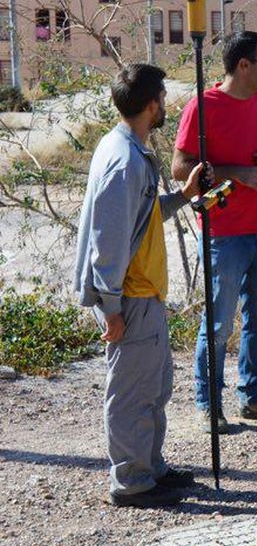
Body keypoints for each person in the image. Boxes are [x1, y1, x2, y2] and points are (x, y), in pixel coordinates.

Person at [74, 64, 206, 507]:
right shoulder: (125, 160)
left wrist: (183, 197)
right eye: (164, 98)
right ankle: (131, 482)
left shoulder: (129, 150)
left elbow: (141, 217)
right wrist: (110, 306)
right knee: (131, 393)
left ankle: (150, 468)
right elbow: (106, 241)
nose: (166, 104)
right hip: (129, 296)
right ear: (152, 105)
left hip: (144, 293)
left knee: (153, 387)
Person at [172, 30, 257, 432]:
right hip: (223, 233)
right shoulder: (202, 107)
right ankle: (209, 404)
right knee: (219, 323)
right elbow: (180, 167)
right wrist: (235, 174)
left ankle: (254, 397)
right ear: (243, 66)